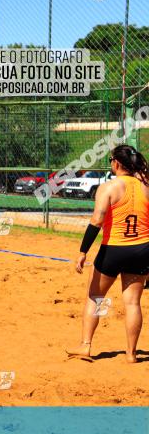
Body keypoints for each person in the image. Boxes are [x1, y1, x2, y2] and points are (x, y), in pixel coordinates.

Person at [67, 145, 149, 363]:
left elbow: (97, 220)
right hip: (141, 249)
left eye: (111, 159)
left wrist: (83, 251)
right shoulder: (146, 186)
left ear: (117, 163)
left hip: (113, 249)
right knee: (132, 303)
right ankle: (131, 354)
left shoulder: (109, 187)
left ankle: (86, 346)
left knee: (95, 296)